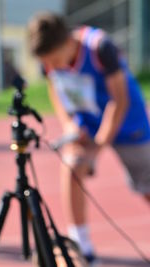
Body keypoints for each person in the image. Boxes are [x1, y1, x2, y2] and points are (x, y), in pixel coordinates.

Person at [28, 12, 150, 264]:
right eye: (48, 62)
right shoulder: (48, 59)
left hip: (128, 121)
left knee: (147, 186)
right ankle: (82, 249)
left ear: (66, 43)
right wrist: (69, 125)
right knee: (72, 167)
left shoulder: (99, 47)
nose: (54, 66)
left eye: (55, 59)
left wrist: (98, 148)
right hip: (87, 120)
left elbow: (120, 101)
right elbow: (54, 89)